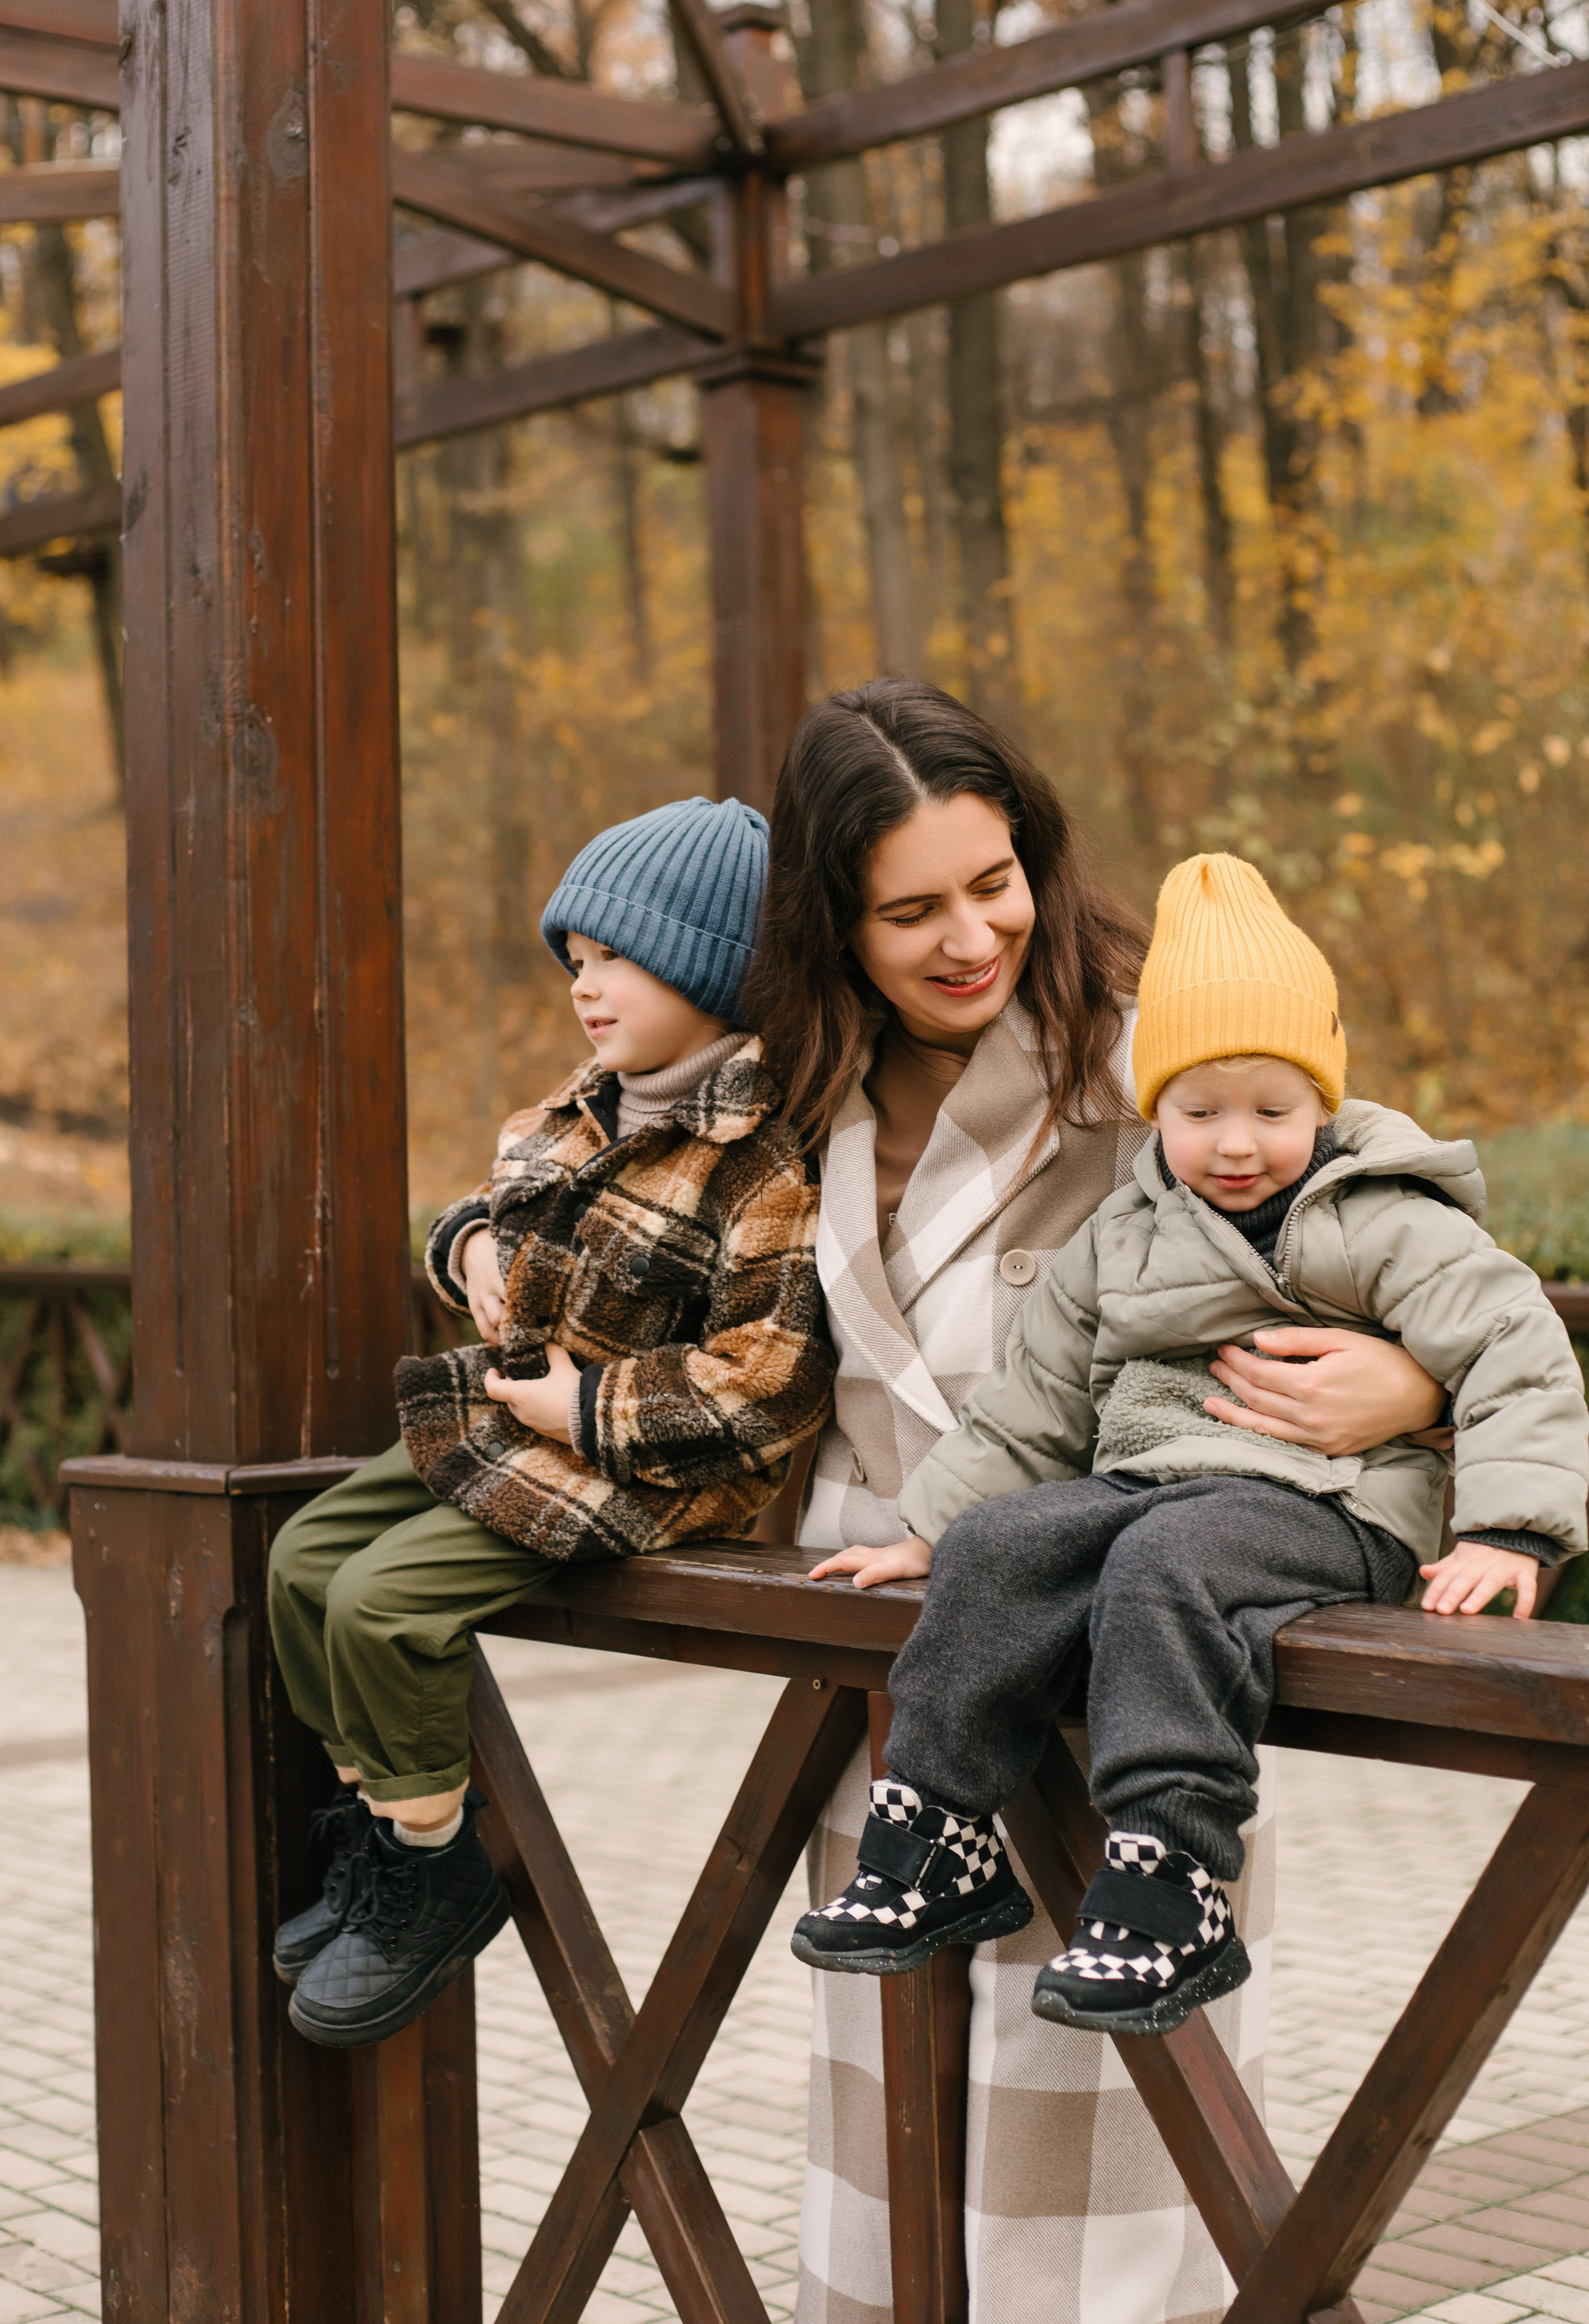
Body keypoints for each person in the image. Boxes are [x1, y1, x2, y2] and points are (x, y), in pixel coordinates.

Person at [747, 681, 1455, 2324]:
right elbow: (594, 1167)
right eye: (907, 910)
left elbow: (1409, 1211)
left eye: (992, 883)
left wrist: (1405, 1385)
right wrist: (470, 1249)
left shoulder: (1157, 1032)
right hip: (897, 1668)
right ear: (829, 922)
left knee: (1121, 2142)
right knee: (899, 2122)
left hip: (1127, 1643)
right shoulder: (793, 1083)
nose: (965, 937)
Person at [796, 850, 1587, 2037]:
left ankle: (1172, 1879)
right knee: (1008, 1548)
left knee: (1168, 1568)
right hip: (1154, 1484)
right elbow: (1036, 1399)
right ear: (1154, 1108)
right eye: (1198, 1111)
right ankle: (937, 1829)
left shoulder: (1378, 1216)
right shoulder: (1126, 1233)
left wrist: (1510, 1532)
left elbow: (1515, 1347)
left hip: (1334, 1505)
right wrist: (931, 1529)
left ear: (1322, 1099)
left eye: (1272, 1110)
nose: (1235, 1143)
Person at [266, 796, 834, 2050]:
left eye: (617, 958)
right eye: (575, 962)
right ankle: (384, 1827)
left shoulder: (759, 1156)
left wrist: (590, 1405)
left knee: (383, 1604)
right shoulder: (582, 1104)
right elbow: (485, 1215)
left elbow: (771, 1378)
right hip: (513, 1418)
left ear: (709, 967)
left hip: (650, 1465)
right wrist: (464, 1246)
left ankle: (435, 1867)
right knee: (301, 1560)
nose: (587, 987)